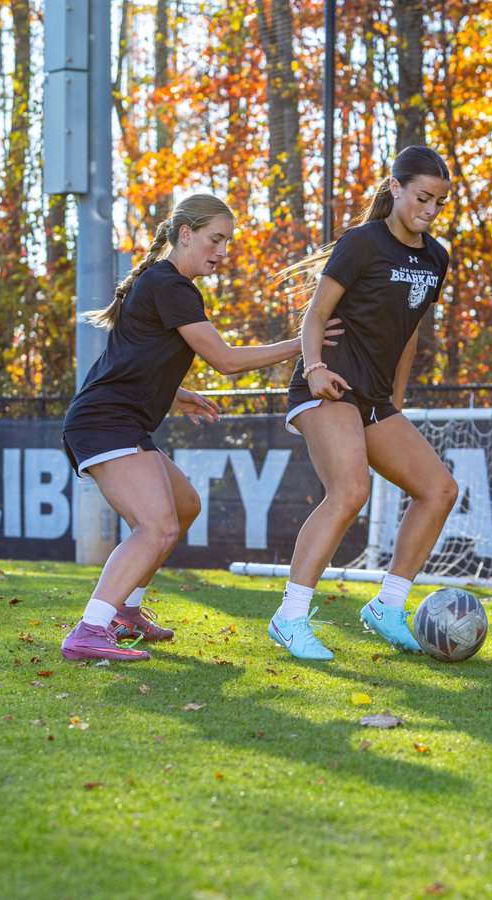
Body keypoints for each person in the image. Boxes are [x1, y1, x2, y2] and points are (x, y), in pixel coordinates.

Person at [60, 193, 341, 661]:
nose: (221, 250)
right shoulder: (170, 285)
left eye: (227, 241)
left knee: (184, 506)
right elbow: (226, 360)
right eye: (215, 239)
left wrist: (175, 394)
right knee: (156, 526)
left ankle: (126, 613)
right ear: (185, 234)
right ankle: (89, 629)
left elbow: (131, 360)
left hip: (116, 420)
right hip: (104, 422)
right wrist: (304, 342)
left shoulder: (159, 283)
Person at [269, 146, 459, 660]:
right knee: (350, 491)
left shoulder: (436, 258)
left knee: (439, 490)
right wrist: (314, 370)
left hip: (374, 398)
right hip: (326, 384)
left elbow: (409, 334)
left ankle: (387, 605)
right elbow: (315, 314)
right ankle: (290, 616)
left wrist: (394, 402)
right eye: (422, 197)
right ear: (395, 188)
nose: (430, 210)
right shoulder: (361, 243)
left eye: (440, 202)